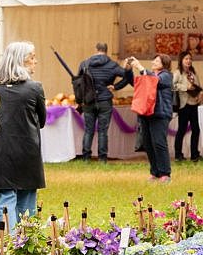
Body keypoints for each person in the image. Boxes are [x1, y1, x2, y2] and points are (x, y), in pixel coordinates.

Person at [0, 42, 47, 233]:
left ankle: (4, 247)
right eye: (32, 57)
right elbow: (42, 120)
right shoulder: (34, 88)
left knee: (5, 203)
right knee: (27, 203)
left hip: (0, 151)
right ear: (21, 61)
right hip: (27, 152)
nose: (35, 61)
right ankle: (26, 247)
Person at [79, 42, 133, 163]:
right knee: (103, 131)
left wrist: (81, 98)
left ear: (96, 49)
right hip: (105, 101)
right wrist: (116, 86)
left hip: (89, 101)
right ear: (106, 51)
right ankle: (102, 158)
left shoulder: (85, 63)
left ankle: (86, 158)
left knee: (88, 130)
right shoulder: (112, 65)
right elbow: (127, 77)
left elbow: (79, 81)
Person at [129, 54, 174, 182]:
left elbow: (154, 81)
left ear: (164, 64)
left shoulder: (166, 75)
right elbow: (134, 82)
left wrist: (140, 67)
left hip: (160, 114)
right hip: (146, 112)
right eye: (153, 59)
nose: (153, 62)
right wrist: (128, 69)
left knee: (159, 143)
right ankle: (155, 172)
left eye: (157, 60)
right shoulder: (148, 75)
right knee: (148, 144)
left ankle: (165, 174)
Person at [172, 50, 201, 162]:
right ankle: (178, 155)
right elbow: (172, 86)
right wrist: (185, 87)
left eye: (190, 59)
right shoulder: (177, 72)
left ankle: (195, 155)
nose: (188, 61)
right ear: (181, 60)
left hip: (194, 105)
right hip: (184, 106)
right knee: (181, 130)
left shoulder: (193, 72)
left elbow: (198, 86)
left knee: (196, 130)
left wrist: (200, 94)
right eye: (186, 59)